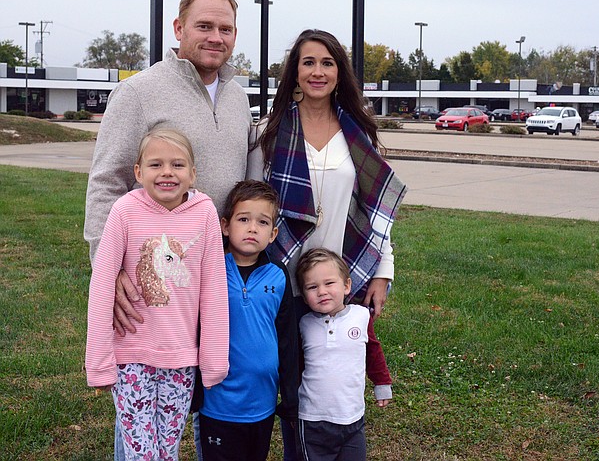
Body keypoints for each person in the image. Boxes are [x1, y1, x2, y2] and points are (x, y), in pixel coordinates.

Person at [84, 0, 251, 460]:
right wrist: (108, 266)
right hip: (149, 279)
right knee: (141, 402)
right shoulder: (138, 92)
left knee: (193, 388)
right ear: (178, 29)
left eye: (225, 28)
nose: (215, 36)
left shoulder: (238, 97)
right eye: (204, 26)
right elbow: (107, 180)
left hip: (216, 273)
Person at [247, 28, 407, 459]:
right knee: (292, 386)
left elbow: (375, 214)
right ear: (294, 73)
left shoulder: (357, 134)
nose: (317, 71)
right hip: (279, 280)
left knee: (335, 379)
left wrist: (383, 271)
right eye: (308, 62)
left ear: (340, 71)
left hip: (339, 280)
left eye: (327, 63)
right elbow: (252, 208)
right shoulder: (270, 131)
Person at [85, 129, 229, 461]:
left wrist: (213, 360)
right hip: (131, 357)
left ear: (193, 174)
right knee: (141, 452)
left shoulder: (204, 212)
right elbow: (103, 285)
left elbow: (214, 290)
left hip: (181, 359)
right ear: (138, 172)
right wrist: (99, 363)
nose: (167, 172)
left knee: (168, 449)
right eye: (155, 164)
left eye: (177, 164)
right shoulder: (124, 210)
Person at [198, 179, 300, 460]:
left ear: (273, 233)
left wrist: (290, 395)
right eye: (244, 219)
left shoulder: (278, 275)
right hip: (218, 404)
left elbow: (287, 338)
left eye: (263, 222)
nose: (253, 228)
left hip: (262, 405)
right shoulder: (211, 267)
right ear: (225, 225)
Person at [295, 248, 392, 460]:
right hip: (313, 420)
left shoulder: (361, 316)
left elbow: (373, 352)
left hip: (352, 419)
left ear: (346, 285)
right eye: (312, 287)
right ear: (303, 296)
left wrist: (382, 383)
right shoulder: (304, 324)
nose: (322, 291)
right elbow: (296, 365)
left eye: (329, 283)